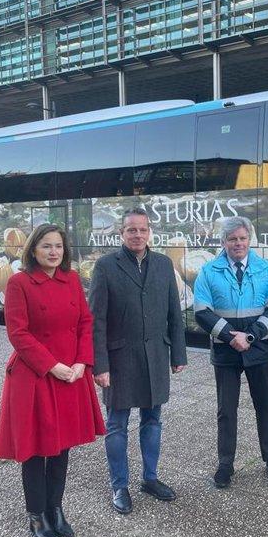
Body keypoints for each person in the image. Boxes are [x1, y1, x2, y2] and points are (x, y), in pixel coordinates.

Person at [0, 223, 106, 537]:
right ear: (33, 249)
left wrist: (81, 362)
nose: (53, 252)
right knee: (35, 449)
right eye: (46, 246)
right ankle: (36, 514)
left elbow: (86, 321)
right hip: (36, 376)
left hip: (71, 374)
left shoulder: (71, 279)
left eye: (58, 246)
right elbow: (18, 333)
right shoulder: (19, 283)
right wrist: (52, 366)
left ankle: (56, 508)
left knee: (62, 446)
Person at [90, 208, 187, 515]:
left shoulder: (163, 264)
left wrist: (179, 355)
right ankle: (119, 485)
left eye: (142, 230)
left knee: (153, 420)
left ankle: (150, 478)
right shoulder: (106, 266)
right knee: (117, 425)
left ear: (149, 232)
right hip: (120, 360)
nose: (138, 235)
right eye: (131, 230)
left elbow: (175, 312)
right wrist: (99, 364)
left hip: (156, 356)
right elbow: (97, 321)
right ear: (122, 233)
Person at [193, 216, 268, 489]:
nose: (238, 243)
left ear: (250, 240)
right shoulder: (209, 271)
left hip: (257, 347)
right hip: (225, 350)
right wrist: (228, 335)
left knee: (265, 406)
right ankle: (225, 464)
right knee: (226, 410)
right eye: (232, 239)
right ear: (223, 242)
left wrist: (250, 335)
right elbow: (202, 312)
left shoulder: (266, 269)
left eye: (243, 238)